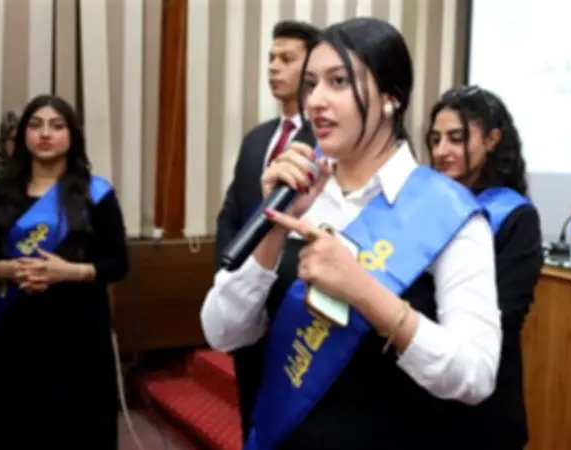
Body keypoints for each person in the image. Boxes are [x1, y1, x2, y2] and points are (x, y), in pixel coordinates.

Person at [201, 17, 501, 450]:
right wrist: (271, 229)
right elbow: (221, 332)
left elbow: (475, 375)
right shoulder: (299, 194)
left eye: (338, 82)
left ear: (391, 97)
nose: (315, 101)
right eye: (311, 84)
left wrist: (363, 291)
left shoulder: (449, 212)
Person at [0, 94, 129, 448]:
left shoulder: (96, 195)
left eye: (57, 126)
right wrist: (4, 268)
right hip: (13, 334)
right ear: (22, 135)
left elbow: (118, 265)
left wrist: (69, 272)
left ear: (72, 136)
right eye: (35, 125)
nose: (45, 134)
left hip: (78, 335)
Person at [213, 19, 320, 432]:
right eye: (271, 57)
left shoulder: (325, 139)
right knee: (252, 418)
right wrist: (231, 281)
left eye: (286, 59)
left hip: (298, 309)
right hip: (248, 302)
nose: (273, 66)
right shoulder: (257, 139)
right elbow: (231, 215)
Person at [426, 86, 542, 450]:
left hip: (483, 409)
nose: (441, 151)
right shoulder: (426, 207)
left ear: (491, 140)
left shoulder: (516, 217)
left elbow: (506, 317)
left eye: (456, 138)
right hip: (422, 392)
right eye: (435, 139)